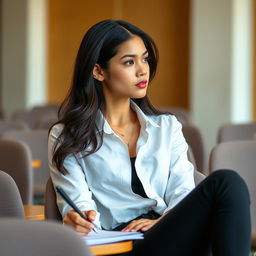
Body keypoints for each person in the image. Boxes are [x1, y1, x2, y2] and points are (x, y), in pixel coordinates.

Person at [48, 19, 251, 256]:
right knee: (225, 183)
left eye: (144, 59)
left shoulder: (166, 127)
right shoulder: (67, 135)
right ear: (98, 71)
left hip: (167, 229)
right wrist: (78, 220)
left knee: (228, 182)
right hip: (119, 243)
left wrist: (162, 221)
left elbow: (182, 190)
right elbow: (79, 204)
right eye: (129, 62)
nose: (143, 70)